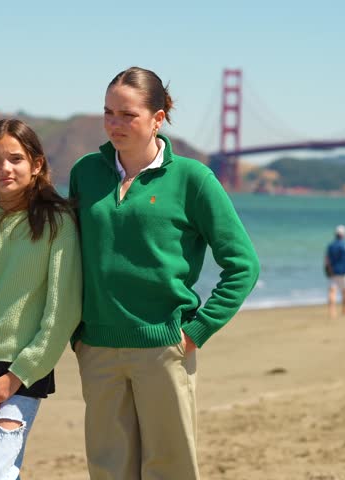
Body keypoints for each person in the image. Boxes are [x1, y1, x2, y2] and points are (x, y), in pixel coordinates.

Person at [68, 66, 260, 480]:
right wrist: (75, 332)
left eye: (127, 114)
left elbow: (243, 264)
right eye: (108, 113)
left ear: (158, 118)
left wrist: (199, 329)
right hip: (97, 348)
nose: (114, 124)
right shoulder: (85, 172)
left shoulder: (193, 179)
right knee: (108, 471)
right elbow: (67, 256)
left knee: (170, 470)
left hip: (165, 348)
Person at [0, 119, 82, 479]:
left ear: (36, 165)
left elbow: (62, 311)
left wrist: (17, 376)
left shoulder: (59, 223)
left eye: (15, 158)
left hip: (24, 372)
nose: (4, 168)